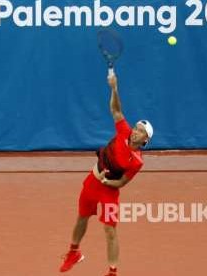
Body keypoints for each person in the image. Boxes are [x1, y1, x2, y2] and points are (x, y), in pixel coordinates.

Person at [59, 73, 154, 276]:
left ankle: (112, 272)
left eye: (141, 132)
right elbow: (116, 109)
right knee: (82, 218)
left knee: (110, 231)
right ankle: (73, 253)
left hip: (109, 191)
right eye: (136, 128)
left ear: (145, 140)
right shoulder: (123, 131)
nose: (135, 132)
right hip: (92, 182)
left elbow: (121, 182)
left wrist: (107, 182)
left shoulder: (137, 162)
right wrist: (114, 88)